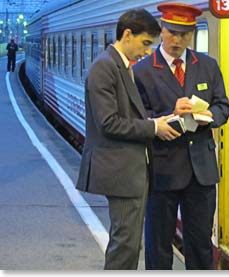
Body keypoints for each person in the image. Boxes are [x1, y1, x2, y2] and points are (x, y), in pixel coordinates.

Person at [76, 9, 180, 270]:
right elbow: (109, 123)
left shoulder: (120, 66)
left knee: (129, 243)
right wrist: (153, 127)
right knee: (124, 244)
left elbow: (129, 114)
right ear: (127, 34)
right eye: (145, 43)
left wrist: (164, 118)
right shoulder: (105, 67)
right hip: (120, 171)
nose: (147, 52)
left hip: (131, 170)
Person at [134, 2, 229, 270]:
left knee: (201, 244)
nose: (177, 40)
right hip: (162, 170)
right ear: (161, 30)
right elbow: (136, 119)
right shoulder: (142, 71)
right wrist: (171, 113)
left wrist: (210, 116)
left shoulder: (208, 66)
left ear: (192, 34)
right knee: (159, 244)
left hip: (201, 171)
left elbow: (224, 105)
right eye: (172, 32)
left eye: (185, 34)